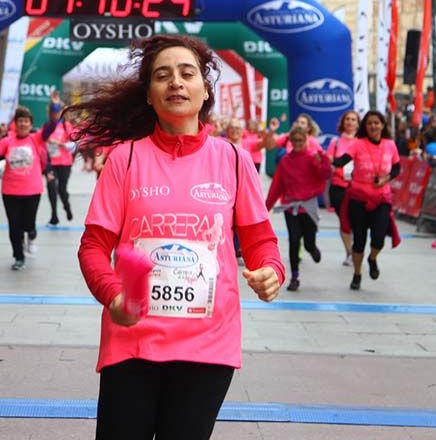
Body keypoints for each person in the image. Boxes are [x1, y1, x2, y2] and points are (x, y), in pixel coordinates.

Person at [72, 34, 283, 439]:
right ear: (149, 95)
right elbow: (94, 246)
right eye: (162, 76)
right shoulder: (125, 158)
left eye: (187, 74)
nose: (176, 83)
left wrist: (270, 270)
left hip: (208, 343)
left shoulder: (235, 160)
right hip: (133, 338)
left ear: (205, 91)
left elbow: (260, 240)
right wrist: (113, 294)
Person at [340, 109, 401, 291]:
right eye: (369, 123)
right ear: (364, 127)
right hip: (359, 197)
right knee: (359, 240)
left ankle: (372, 258)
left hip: (381, 197)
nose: (373, 126)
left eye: (376, 122)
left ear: (382, 125)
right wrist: (327, 160)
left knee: (379, 238)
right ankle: (357, 273)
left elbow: (397, 168)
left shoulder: (390, 145)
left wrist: (386, 179)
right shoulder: (358, 144)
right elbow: (343, 160)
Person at [266, 126, 331, 292]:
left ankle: (313, 249)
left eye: (300, 140)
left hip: (308, 206)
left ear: (306, 141)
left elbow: (325, 174)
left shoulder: (312, 158)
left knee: (308, 243)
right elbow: (276, 186)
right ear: (290, 142)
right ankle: (294, 277)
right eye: (294, 140)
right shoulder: (285, 162)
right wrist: (265, 208)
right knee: (294, 240)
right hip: (291, 207)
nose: (297, 143)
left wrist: (322, 158)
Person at [0, 106, 48, 270]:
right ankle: (18, 256)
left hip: (32, 190)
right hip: (10, 191)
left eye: (26, 121)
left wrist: (54, 108)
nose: (23, 124)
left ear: (31, 124)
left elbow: (52, 126)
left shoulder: (36, 139)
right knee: (14, 226)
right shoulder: (8, 140)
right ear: (15, 124)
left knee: (28, 223)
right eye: (20, 121)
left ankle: (31, 234)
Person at [327, 109, 359, 265]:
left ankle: (356, 249)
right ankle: (349, 252)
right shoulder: (336, 142)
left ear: (358, 124)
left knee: (357, 221)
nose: (350, 122)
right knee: (344, 220)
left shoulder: (361, 142)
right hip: (339, 187)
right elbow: (329, 162)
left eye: (353, 119)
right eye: (348, 119)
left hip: (358, 187)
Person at [41, 101, 75, 225]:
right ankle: (54, 215)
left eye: (57, 112)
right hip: (51, 162)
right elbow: (42, 141)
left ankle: (67, 206)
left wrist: (61, 144)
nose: (55, 114)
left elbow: (74, 145)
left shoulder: (67, 126)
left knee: (62, 189)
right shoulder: (47, 126)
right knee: (51, 187)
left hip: (65, 162)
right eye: (53, 112)